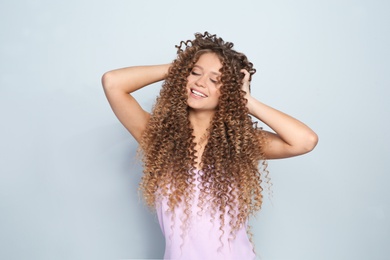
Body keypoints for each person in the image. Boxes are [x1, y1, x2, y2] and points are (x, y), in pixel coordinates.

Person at [102, 32, 318, 260]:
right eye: (194, 72)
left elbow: (305, 141)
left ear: (229, 93)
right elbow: (113, 82)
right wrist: (180, 65)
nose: (200, 83)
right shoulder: (158, 139)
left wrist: (248, 102)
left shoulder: (240, 143)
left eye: (215, 80)